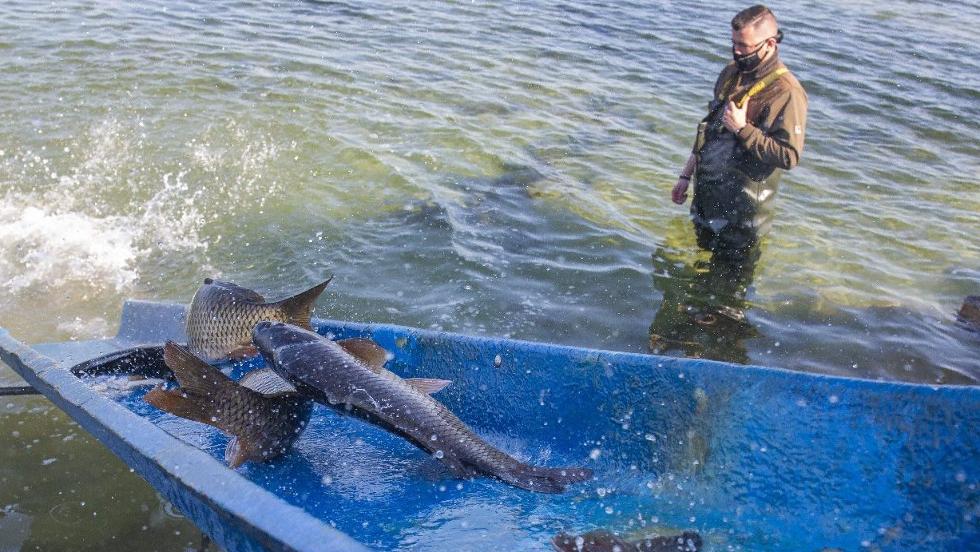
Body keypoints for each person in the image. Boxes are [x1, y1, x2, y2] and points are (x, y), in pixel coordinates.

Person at [672, 5, 807, 256]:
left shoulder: (786, 92)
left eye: (744, 46)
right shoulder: (731, 73)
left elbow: (789, 156)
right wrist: (685, 175)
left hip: (742, 217)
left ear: (769, 44)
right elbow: (708, 128)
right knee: (697, 275)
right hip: (707, 200)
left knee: (730, 289)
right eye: (733, 43)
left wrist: (743, 129)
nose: (736, 51)